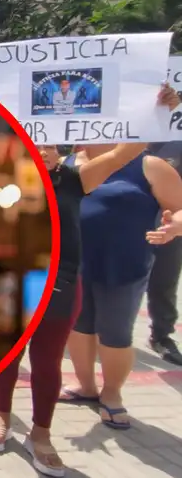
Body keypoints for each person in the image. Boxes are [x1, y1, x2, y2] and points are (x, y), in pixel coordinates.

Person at [0, 139, 156, 476]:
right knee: (6, 354)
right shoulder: (1, 178)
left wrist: (154, 112)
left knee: (46, 361)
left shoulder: (76, 179)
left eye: (50, 145)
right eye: (34, 144)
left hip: (60, 284)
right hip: (10, 282)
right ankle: (0, 413)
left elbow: (123, 153)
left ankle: (41, 434)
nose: (42, 151)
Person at [60, 133, 182, 430]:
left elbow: (179, 207)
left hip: (125, 265)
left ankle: (112, 393)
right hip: (75, 263)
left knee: (116, 332)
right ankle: (86, 386)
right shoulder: (67, 164)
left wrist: (174, 226)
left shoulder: (149, 165)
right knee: (79, 325)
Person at [146, 140, 182, 365]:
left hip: (167, 223)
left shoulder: (176, 140)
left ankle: (161, 334)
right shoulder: (118, 134)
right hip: (120, 220)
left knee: (164, 280)